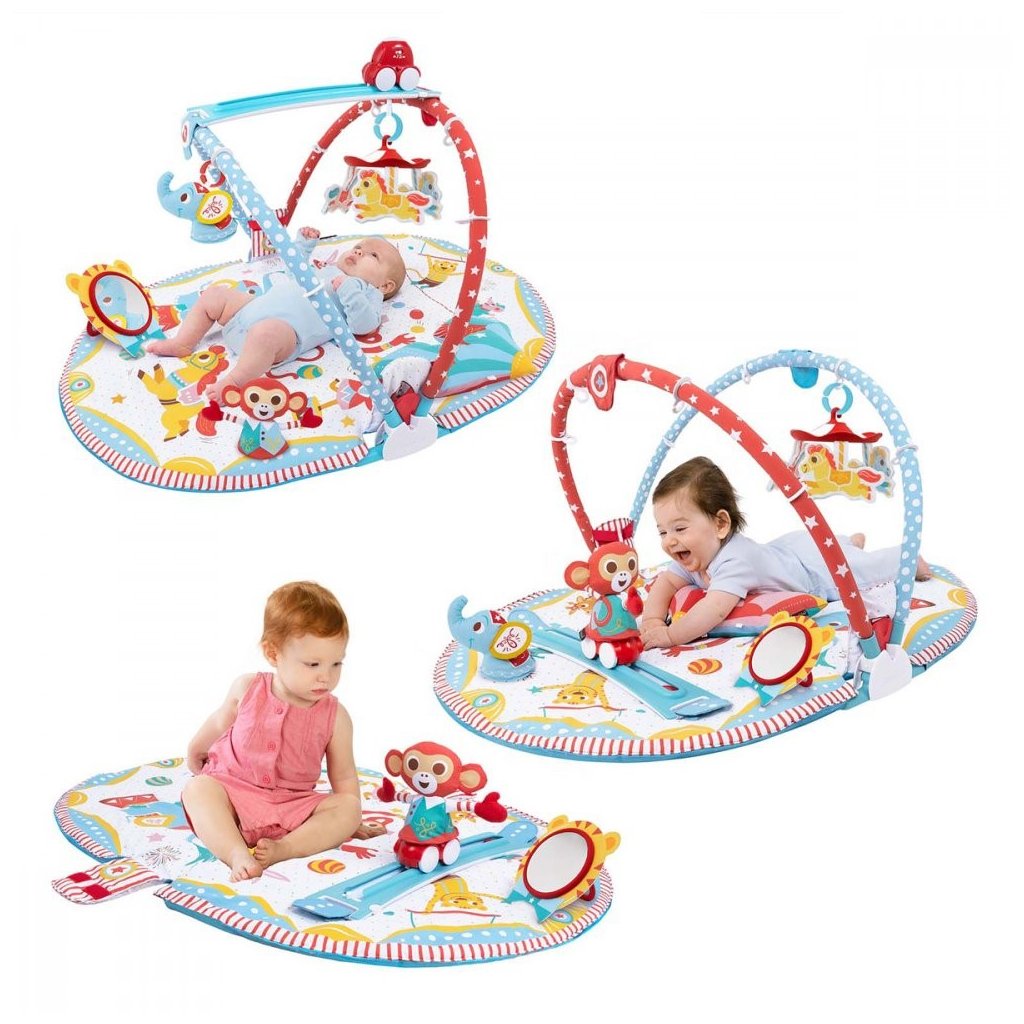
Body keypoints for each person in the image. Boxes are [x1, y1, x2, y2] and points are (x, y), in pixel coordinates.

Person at [182, 581, 378, 881]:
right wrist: (197, 747)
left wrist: (352, 821)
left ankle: (285, 848)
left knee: (348, 808)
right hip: (235, 794)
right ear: (273, 654)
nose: (326, 677)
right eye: (313, 664)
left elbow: (344, 777)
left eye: (336, 663)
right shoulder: (248, 688)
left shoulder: (336, 717)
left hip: (293, 807)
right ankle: (235, 852)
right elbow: (220, 721)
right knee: (198, 790)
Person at [640, 456, 931, 650]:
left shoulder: (733, 562)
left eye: (679, 529)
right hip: (787, 549)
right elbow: (666, 583)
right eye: (662, 532)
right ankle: (849, 543)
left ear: (720, 524)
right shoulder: (693, 555)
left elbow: (713, 609)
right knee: (835, 548)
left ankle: (906, 558)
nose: (670, 542)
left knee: (859, 571)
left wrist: (670, 635)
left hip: (811, 571)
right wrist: (652, 620)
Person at [146, 228, 405, 400]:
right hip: (247, 311)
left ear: (385, 285)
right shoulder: (327, 270)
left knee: (266, 332)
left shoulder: (369, 292)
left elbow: (364, 325)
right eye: (358, 247)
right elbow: (295, 272)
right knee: (215, 295)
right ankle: (183, 342)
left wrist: (349, 290)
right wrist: (303, 247)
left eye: (372, 255)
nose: (358, 251)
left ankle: (234, 381)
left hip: (281, 336)